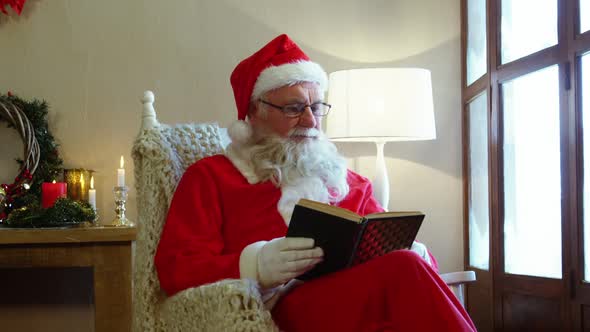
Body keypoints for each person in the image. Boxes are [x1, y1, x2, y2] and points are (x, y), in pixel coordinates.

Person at [155, 34, 476, 332]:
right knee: (403, 270)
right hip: (278, 310)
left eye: (317, 106)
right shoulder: (211, 177)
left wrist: (414, 248)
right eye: (294, 108)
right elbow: (176, 269)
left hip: (359, 301)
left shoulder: (349, 182)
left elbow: (413, 263)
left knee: (406, 266)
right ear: (254, 113)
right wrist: (256, 264)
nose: (310, 120)